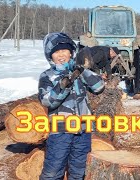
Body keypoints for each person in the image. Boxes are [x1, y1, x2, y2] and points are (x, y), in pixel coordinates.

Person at [38, 32, 105, 179]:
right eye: (56, 52)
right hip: (61, 129)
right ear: (50, 55)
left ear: (71, 52)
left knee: (79, 170)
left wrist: (82, 71)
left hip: (83, 129)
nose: (61, 55)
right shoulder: (47, 76)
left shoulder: (79, 71)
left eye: (64, 50)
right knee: (53, 170)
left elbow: (99, 87)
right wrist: (63, 85)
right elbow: (47, 101)